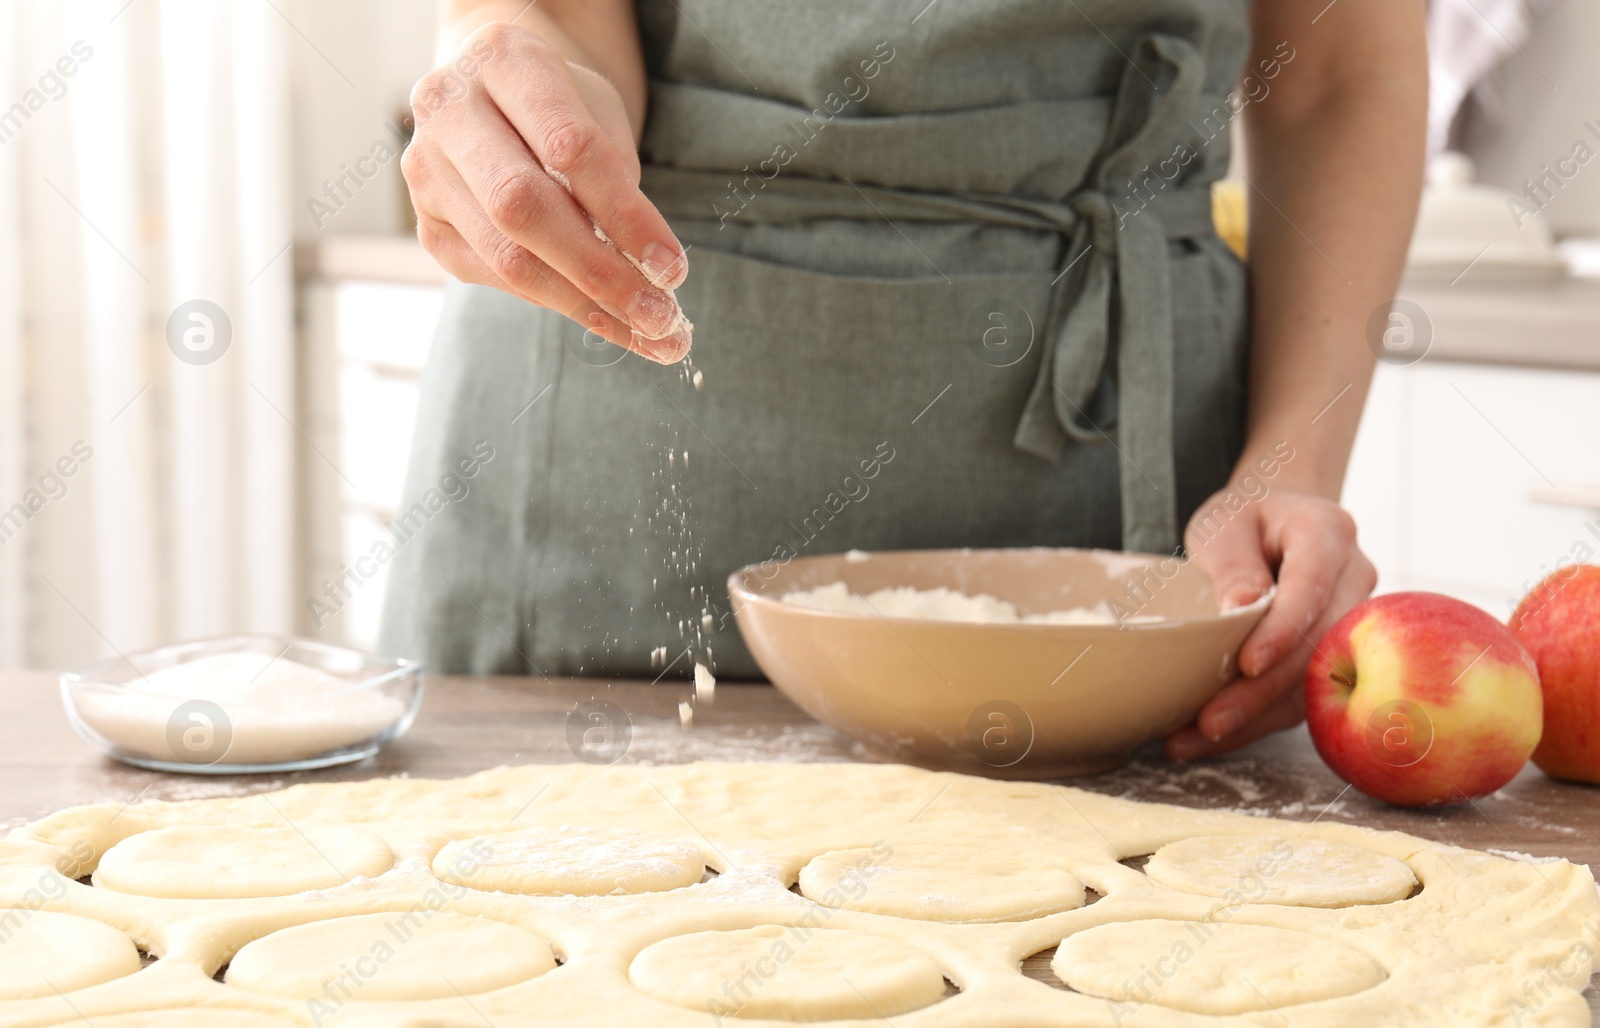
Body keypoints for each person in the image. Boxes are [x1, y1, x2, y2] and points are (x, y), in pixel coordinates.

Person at [379, 0, 1426, 763]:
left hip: (1117, 498)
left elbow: (1338, 73)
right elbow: (558, 16)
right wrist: (506, 68)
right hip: (606, 443)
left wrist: (1290, 469)